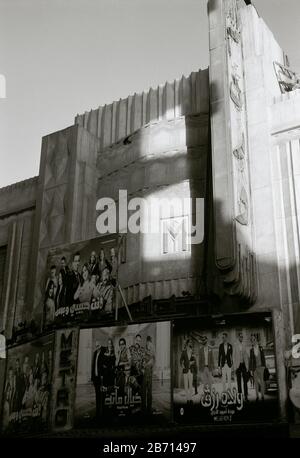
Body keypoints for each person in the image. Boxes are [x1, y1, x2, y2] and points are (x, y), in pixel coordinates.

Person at [249, 334, 266, 401]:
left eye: (254, 339)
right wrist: (251, 370)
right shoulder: (251, 350)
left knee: (262, 382)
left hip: (261, 367)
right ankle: (257, 396)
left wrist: (264, 366)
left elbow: (263, 357)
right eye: (252, 340)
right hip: (255, 368)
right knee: (256, 382)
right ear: (251, 342)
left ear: (256, 340)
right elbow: (251, 360)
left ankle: (262, 396)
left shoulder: (261, 348)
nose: (253, 341)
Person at [180, 339, 197, 404]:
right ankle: (187, 399)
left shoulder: (192, 351)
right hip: (185, 371)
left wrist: (192, 362)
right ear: (187, 344)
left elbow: (194, 360)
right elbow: (181, 360)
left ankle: (191, 399)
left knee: (190, 385)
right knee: (186, 385)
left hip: (191, 371)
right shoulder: (183, 352)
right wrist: (182, 365)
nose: (190, 343)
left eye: (191, 342)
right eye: (189, 342)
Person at [233, 332, 249, 401]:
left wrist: (247, 366)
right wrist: (234, 366)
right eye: (240, 337)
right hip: (238, 365)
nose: (241, 338)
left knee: (245, 381)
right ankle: (240, 396)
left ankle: (246, 396)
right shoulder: (235, 345)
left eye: (242, 337)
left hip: (243, 365)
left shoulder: (244, 344)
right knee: (239, 381)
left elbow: (246, 356)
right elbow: (233, 356)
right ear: (238, 337)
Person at [91, 341, 104, 419]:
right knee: (97, 395)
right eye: (96, 346)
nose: (97, 347)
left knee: (101, 396)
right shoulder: (95, 353)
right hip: (95, 378)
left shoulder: (103, 354)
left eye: (98, 345)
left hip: (101, 378)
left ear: (100, 345)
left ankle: (102, 413)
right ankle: (97, 413)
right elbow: (93, 366)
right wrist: (92, 378)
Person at [142, 336, 155, 414]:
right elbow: (143, 359)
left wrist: (146, 364)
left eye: (150, 342)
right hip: (144, 372)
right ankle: (144, 407)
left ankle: (149, 408)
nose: (148, 344)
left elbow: (152, 361)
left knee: (149, 391)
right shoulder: (144, 350)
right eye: (148, 342)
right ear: (146, 342)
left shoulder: (152, 351)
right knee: (143, 390)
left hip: (149, 371)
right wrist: (144, 363)